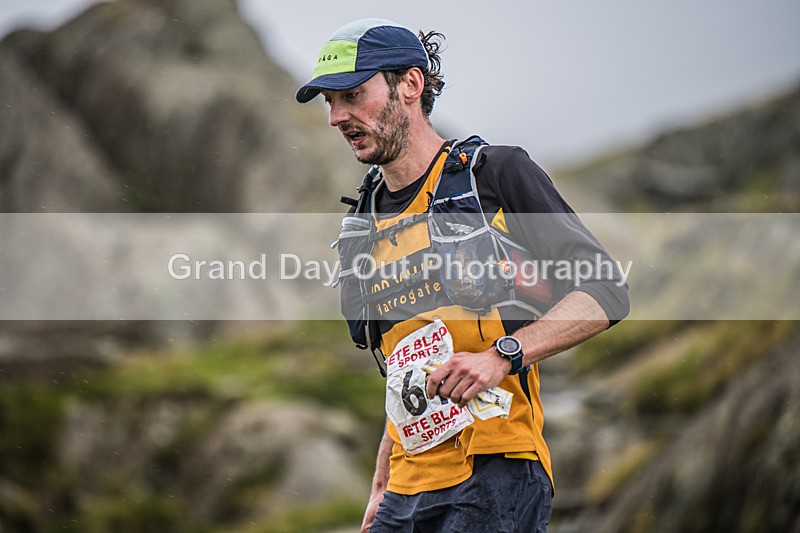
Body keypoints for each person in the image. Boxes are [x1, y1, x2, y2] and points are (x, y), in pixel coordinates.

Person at [296, 18, 629, 532]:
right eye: (329, 102)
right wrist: (382, 480)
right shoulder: (361, 225)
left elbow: (606, 291)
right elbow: (409, 360)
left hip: (496, 473)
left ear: (410, 84)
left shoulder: (495, 176)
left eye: (353, 95)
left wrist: (502, 356)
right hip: (405, 489)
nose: (337, 116)